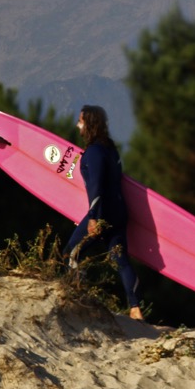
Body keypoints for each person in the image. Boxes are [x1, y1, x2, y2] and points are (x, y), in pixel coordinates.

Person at [63, 105, 144, 321]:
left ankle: (75, 301)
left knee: (71, 254)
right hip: (118, 211)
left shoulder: (94, 153)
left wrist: (92, 218)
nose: (77, 125)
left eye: (80, 121)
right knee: (120, 259)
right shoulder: (110, 149)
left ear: (90, 123)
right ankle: (135, 308)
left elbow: (96, 187)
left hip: (102, 214)